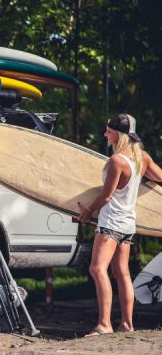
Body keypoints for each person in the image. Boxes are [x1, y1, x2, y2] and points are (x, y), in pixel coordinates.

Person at [78, 114, 162, 336]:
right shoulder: (141, 158)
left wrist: (88, 211)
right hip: (128, 222)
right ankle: (126, 324)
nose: (105, 134)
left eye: (108, 131)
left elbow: (106, 196)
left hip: (111, 221)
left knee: (97, 268)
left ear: (119, 134)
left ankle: (104, 324)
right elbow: (160, 177)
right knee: (121, 272)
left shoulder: (117, 161)